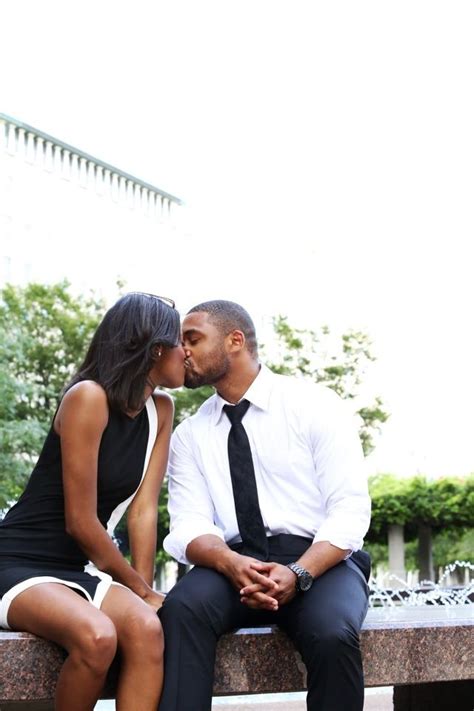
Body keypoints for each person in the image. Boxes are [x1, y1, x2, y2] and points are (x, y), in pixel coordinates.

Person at [158, 300, 372, 711]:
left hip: (317, 560)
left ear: (235, 341)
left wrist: (298, 573)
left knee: (333, 634)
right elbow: (188, 525)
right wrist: (230, 563)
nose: (182, 350)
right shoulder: (190, 435)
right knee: (181, 611)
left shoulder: (315, 404)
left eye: (193, 339)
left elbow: (348, 510)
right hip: (230, 562)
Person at [0, 292, 185, 711]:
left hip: (78, 568)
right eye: (180, 343)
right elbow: (81, 523)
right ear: (155, 348)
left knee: (147, 630)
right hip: (18, 561)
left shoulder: (162, 409)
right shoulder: (88, 397)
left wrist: (144, 593)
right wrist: (139, 588)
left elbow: (142, 511)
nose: (187, 354)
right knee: (97, 636)